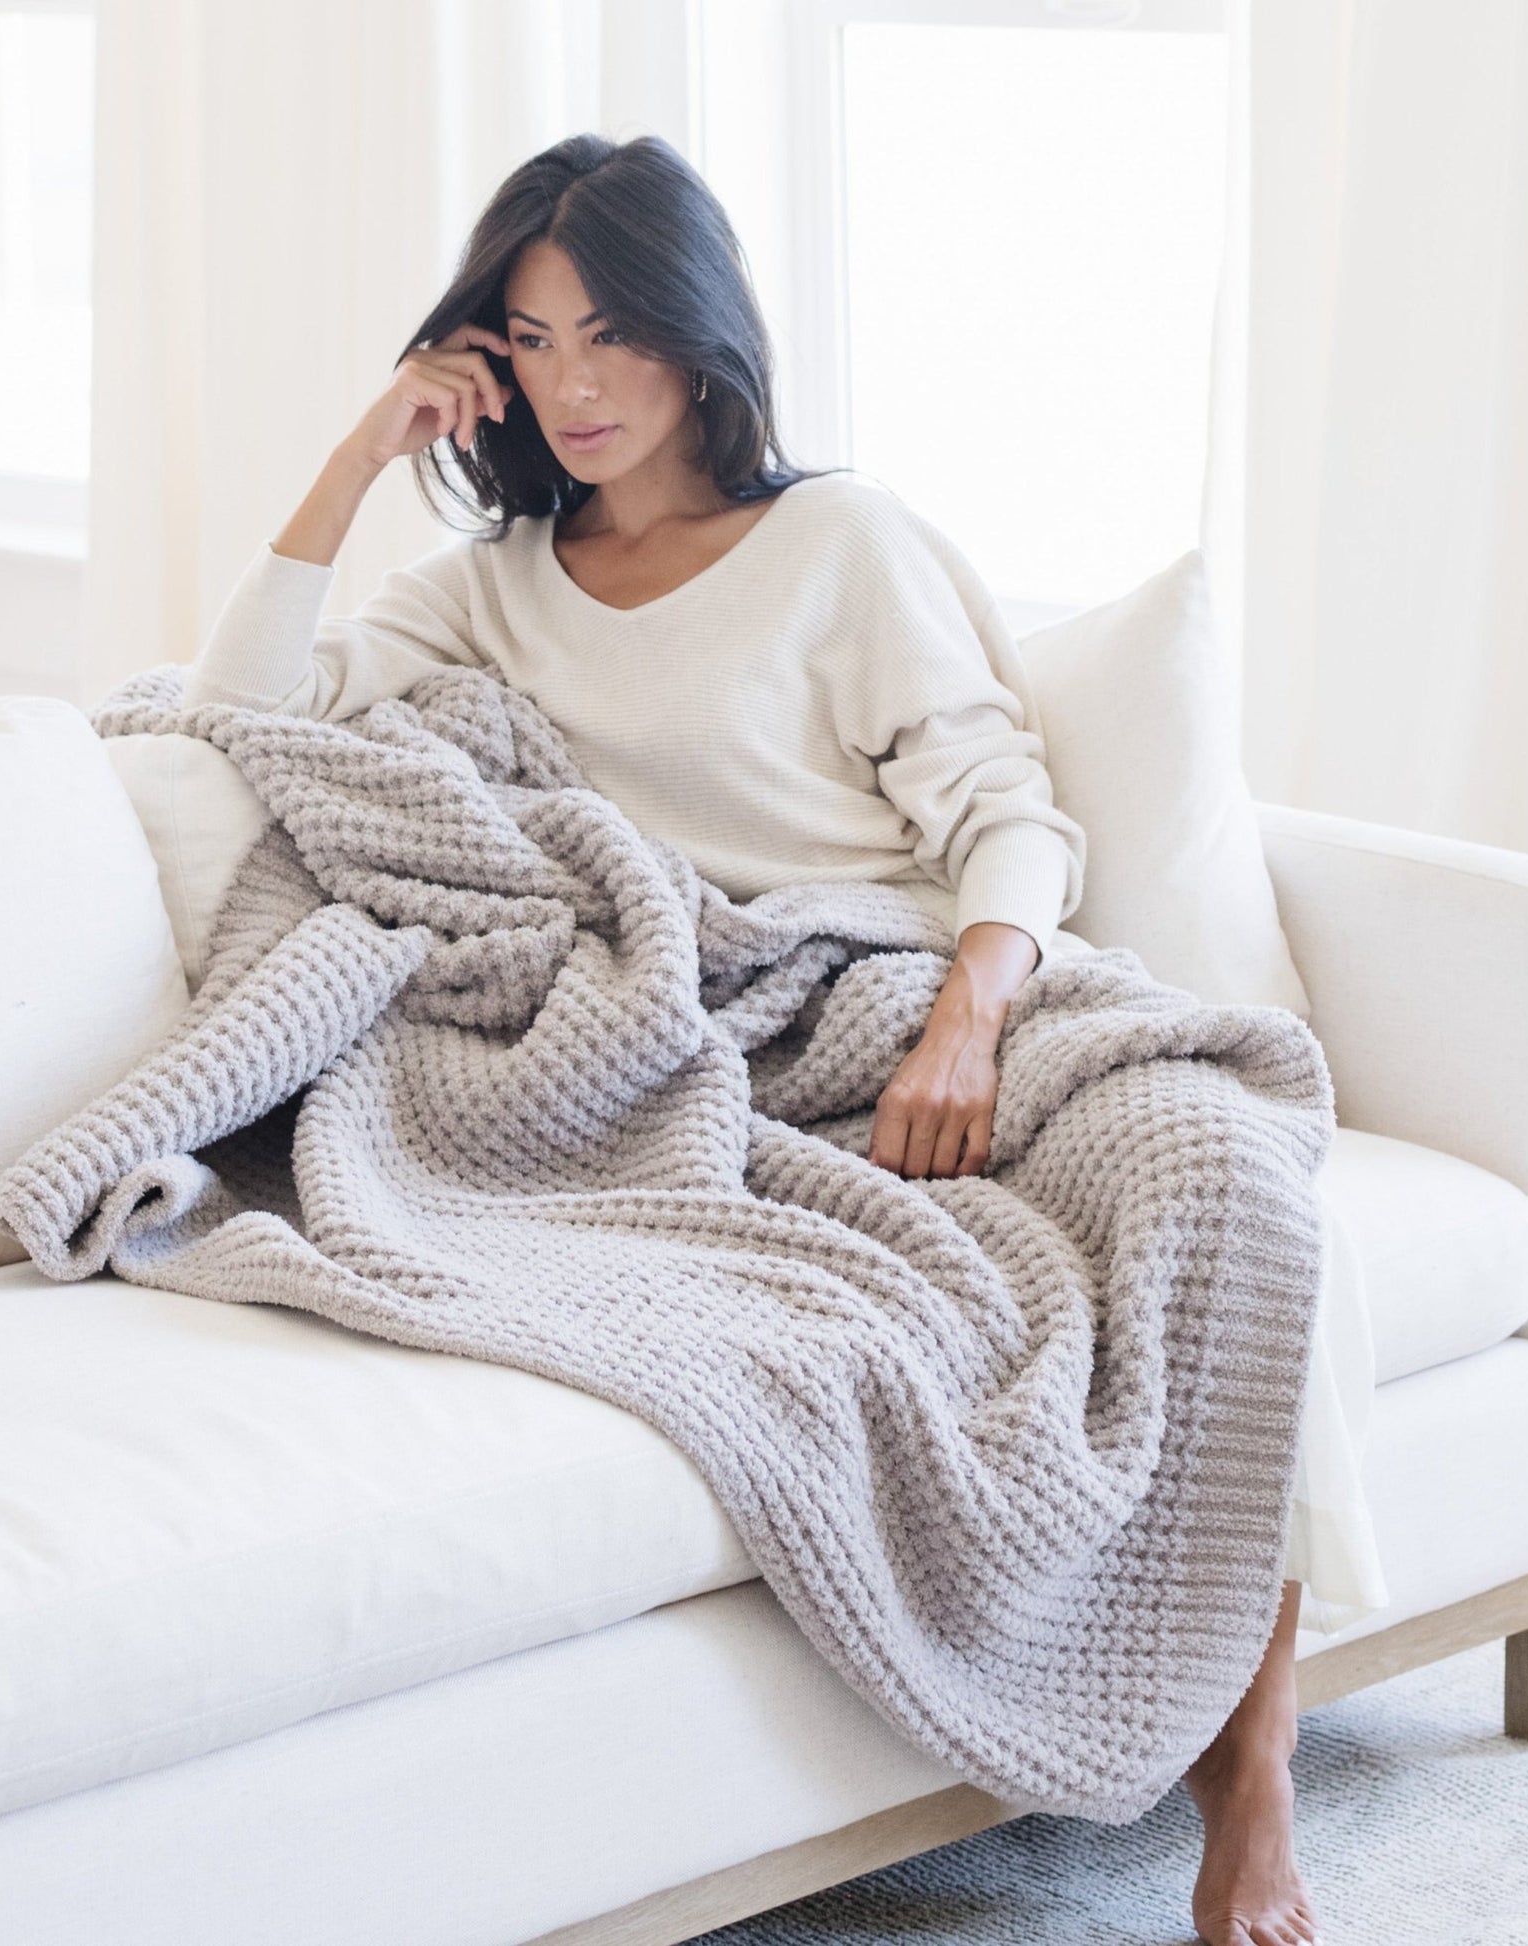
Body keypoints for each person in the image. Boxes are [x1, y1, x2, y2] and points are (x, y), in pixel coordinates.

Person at [184, 128, 1387, 1946]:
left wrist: (972, 1019)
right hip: (712, 1037)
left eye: (611, 335)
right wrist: (360, 456)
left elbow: (1006, 812)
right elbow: (236, 707)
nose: (571, 386)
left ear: (699, 337)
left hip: (924, 993)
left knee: (1228, 1178)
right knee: (882, 1316)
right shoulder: (498, 582)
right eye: (524, 340)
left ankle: (1256, 1763)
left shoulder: (841, 540)